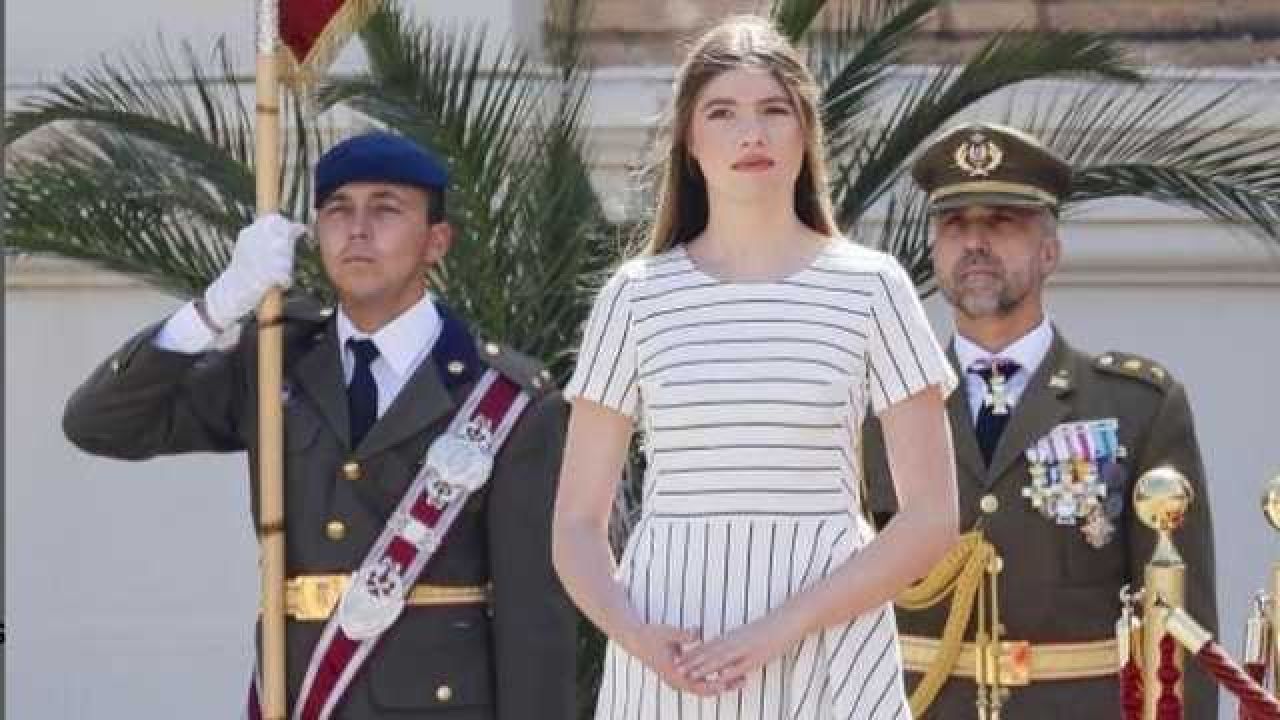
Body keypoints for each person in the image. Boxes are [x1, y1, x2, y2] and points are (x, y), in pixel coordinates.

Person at [62, 131, 576, 719]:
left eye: (385, 208)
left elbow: (534, 620)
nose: (357, 229)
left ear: (437, 241)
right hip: (303, 700)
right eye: (337, 210)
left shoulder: (504, 399)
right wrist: (218, 304)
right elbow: (100, 423)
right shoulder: (275, 362)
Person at [552, 16, 959, 720]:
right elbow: (576, 525)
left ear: (805, 132)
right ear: (689, 140)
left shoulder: (872, 287)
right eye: (722, 113)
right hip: (674, 653)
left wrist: (781, 627)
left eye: (774, 110)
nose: (752, 134)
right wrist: (636, 636)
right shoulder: (635, 297)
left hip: (829, 645)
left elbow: (931, 519)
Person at [863, 122, 1218, 719]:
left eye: (1001, 222)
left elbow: (1179, 622)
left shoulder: (1136, 407)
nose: (975, 242)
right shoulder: (881, 411)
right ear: (936, 251)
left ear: (1049, 251)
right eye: (954, 225)